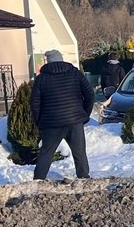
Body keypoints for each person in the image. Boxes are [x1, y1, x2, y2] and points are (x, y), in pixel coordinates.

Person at [30, 49, 96, 181]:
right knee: (79, 152)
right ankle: (84, 177)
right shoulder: (75, 73)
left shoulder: (41, 78)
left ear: (48, 61)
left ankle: (38, 180)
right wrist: (84, 114)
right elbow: (90, 94)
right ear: (61, 59)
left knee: (46, 153)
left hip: (52, 123)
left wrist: (39, 121)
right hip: (74, 120)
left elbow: (35, 103)